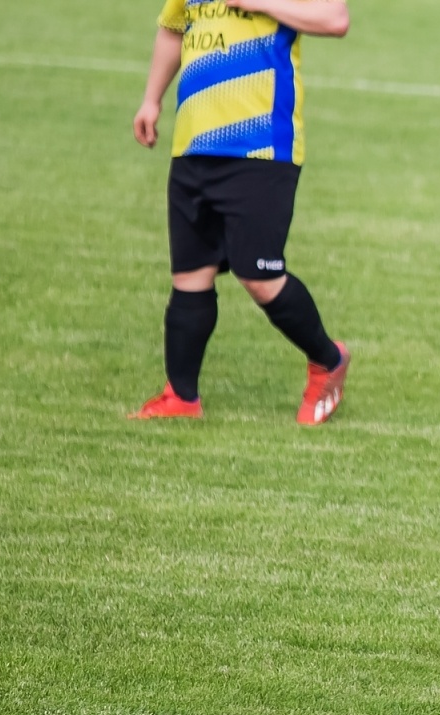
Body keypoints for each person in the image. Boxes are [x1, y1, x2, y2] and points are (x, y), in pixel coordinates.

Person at [131, 0, 352, 424]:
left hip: (261, 148)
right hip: (193, 146)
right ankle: (181, 397)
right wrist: (151, 100)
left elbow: (335, 19)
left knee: (260, 276)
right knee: (190, 276)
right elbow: (173, 29)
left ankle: (328, 359)